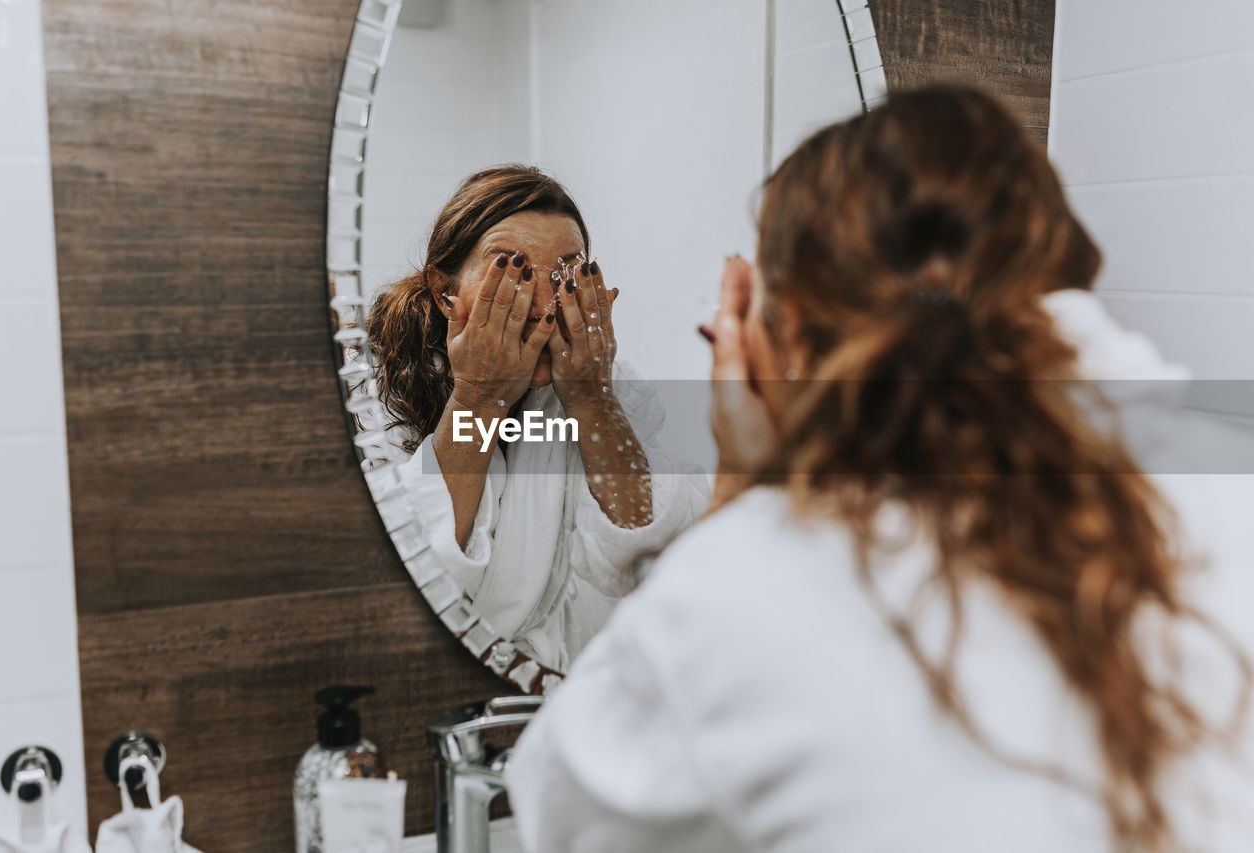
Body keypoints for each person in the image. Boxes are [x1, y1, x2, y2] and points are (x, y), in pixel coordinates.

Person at [505, 86, 1254, 851]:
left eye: (566, 272)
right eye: (514, 273)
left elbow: (558, 813)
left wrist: (741, 488)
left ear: (782, 327)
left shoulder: (747, 587)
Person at [366, 165, 708, 675]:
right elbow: (411, 581)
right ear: (444, 292)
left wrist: (592, 400)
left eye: (567, 273)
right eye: (513, 271)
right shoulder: (378, 397)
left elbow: (654, 552)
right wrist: (480, 398)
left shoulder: (602, 384)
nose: (546, 302)